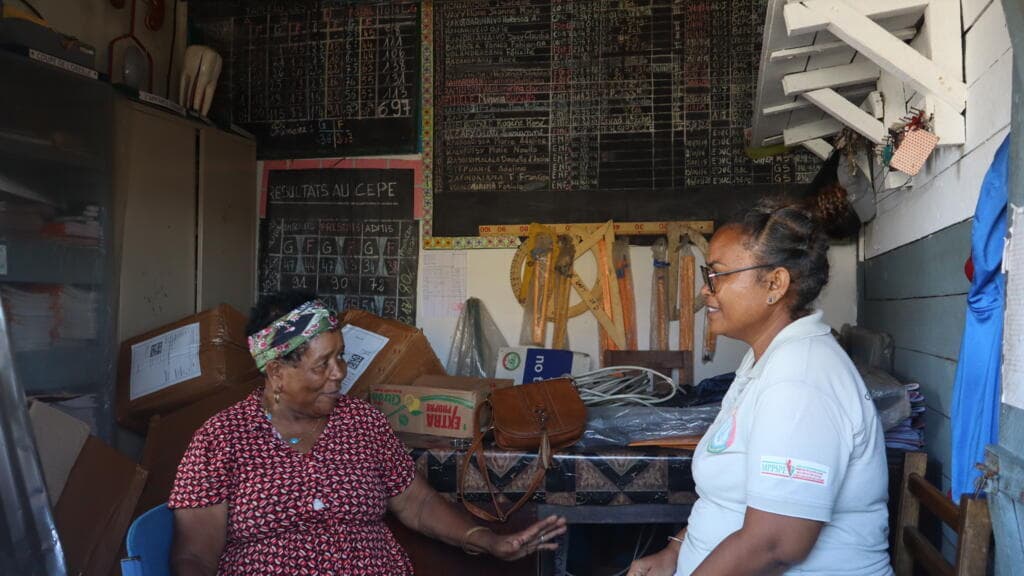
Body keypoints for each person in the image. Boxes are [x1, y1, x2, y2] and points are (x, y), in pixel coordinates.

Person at [169, 291, 567, 575]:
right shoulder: (221, 439)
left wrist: (489, 541)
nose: (339, 373)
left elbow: (417, 504)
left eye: (341, 356)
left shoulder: (363, 422)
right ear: (276, 372)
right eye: (322, 364)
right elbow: (194, 557)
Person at [629, 200, 892, 576]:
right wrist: (674, 553)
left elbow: (775, 544)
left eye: (717, 275)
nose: (705, 290)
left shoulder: (800, 380)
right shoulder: (768, 359)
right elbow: (732, 504)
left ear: (775, 284)